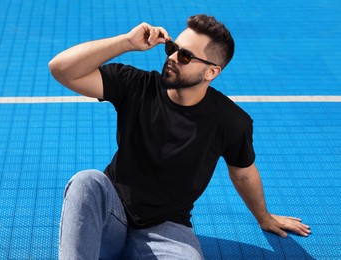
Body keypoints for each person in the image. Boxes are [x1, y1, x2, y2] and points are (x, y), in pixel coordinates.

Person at [49, 14, 311, 259]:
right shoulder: (137, 85)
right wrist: (127, 42)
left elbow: (243, 173)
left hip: (166, 228)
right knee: (86, 181)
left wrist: (263, 217)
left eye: (185, 56)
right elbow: (61, 69)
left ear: (212, 71)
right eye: (172, 48)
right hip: (112, 214)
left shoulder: (231, 121)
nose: (173, 57)